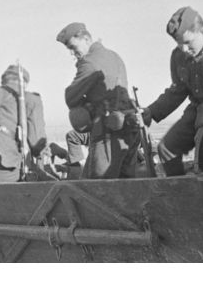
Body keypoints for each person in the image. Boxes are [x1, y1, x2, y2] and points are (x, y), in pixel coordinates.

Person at [142, 7, 203, 176]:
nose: (183, 49)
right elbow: (177, 91)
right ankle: (179, 186)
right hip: (196, 112)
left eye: (188, 42)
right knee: (166, 149)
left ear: (202, 32)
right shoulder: (178, 56)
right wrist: (151, 111)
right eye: (178, 43)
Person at [56, 22, 140, 179]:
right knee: (125, 183)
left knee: (96, 185)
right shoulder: (115, 56)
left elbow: (71, 97)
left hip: (107, 133)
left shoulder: (89, 62)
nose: (72, 53)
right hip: (130, 128)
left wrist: (84, 104)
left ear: (86, 39)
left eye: (73, 47)